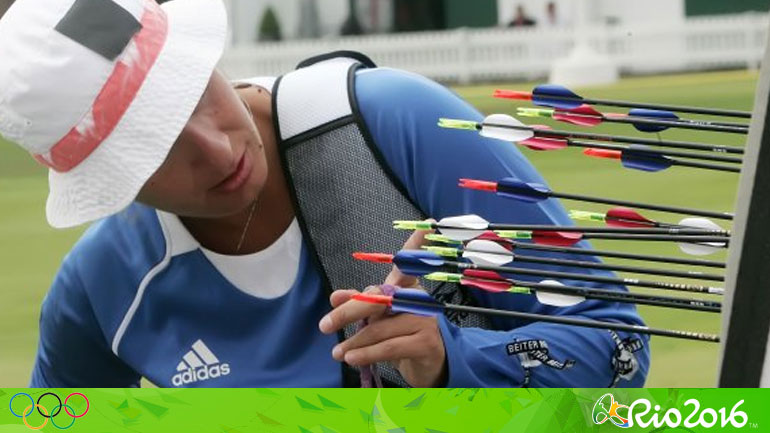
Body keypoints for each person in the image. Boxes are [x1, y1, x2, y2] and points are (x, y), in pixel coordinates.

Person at [0, 0, 649, 388]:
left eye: (195, 90)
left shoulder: (396, 125)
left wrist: (457, 360)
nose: (218, 149)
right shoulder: (101, 290)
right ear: (108, 184)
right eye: (157, 146)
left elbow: (621, 346)